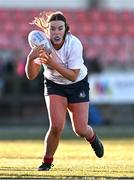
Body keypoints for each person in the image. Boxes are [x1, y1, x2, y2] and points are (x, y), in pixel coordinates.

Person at [25, 11, 104, 171]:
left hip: (77, 83)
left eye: (60, 28)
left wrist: (52, 63)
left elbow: (73, 76)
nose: (56, 32)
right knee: (56, 126)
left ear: (66, 30)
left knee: (80, 129)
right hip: (54, 84)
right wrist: (30, 58)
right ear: (47, 31)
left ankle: (93, 137)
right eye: (52, 29)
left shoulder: (74, 44)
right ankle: (47, 162)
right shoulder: (42, 45)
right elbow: (31, 76)